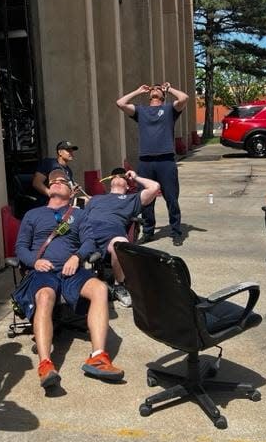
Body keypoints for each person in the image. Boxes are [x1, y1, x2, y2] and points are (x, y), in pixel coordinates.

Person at [14, 168, 124, 389]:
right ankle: (46, 365)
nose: (55, 182)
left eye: (62, 181)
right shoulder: (32, 215)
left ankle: (98, 357)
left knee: (100, 289)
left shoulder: (79, 215)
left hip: (72, 270)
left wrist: (77, 256)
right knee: (44, 296)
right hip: (42, 272)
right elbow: (20, 247)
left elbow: (89, 242)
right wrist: (34, 262)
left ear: (72, 191)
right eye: (52, 180)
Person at [116, 82, 188, 246]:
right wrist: (137, 91)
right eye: (153, 89)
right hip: (146, 161)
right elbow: (120, 103)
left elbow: (184, 98)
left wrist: (168, 89)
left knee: (171, 198)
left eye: (159, 88)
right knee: (146, 199)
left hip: (166, 161)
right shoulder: (141, 111)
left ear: (163, 95)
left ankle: (176, 232)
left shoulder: (170, 109)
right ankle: (148, 231)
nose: (155, 89)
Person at [83, 168, 160, 307]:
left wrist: (135, 177)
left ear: (128, 185)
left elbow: (155, 187)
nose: (118, 177)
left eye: (123, 177)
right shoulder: (96, 199)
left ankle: (120, 286)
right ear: (110, 182)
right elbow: (80, 217)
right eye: (115, 176)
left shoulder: (132, 199)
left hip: (111, 237)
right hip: (86, 234)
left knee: (120, 244)